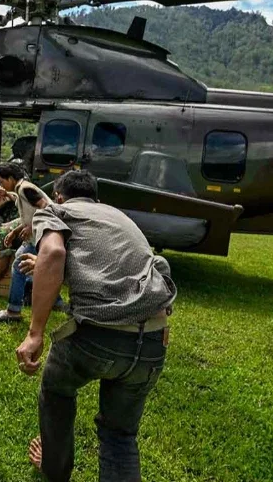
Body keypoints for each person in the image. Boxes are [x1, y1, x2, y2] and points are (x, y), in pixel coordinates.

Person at [14, 170, 176, 482]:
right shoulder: (118, 216)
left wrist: (35, 333)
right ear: (97, 198)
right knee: (120, 435)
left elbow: (54, 252)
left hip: (98, 337)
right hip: (153, 339)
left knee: (57, 389)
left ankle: (54, 466)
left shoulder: (55, 211)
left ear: (59, 197)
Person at [0, 162, 59, 321]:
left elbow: (46, 207)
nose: (1, 185)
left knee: (18, 268)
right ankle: (56, 300)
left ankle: (13, 311)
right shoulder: (20, 190)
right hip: (36, 237)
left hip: (41, 235)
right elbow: (28, 214)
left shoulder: (25, 189)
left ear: (10, 178)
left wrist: (32, 226)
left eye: (2, 181)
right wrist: (14, 231)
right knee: (29, 265)